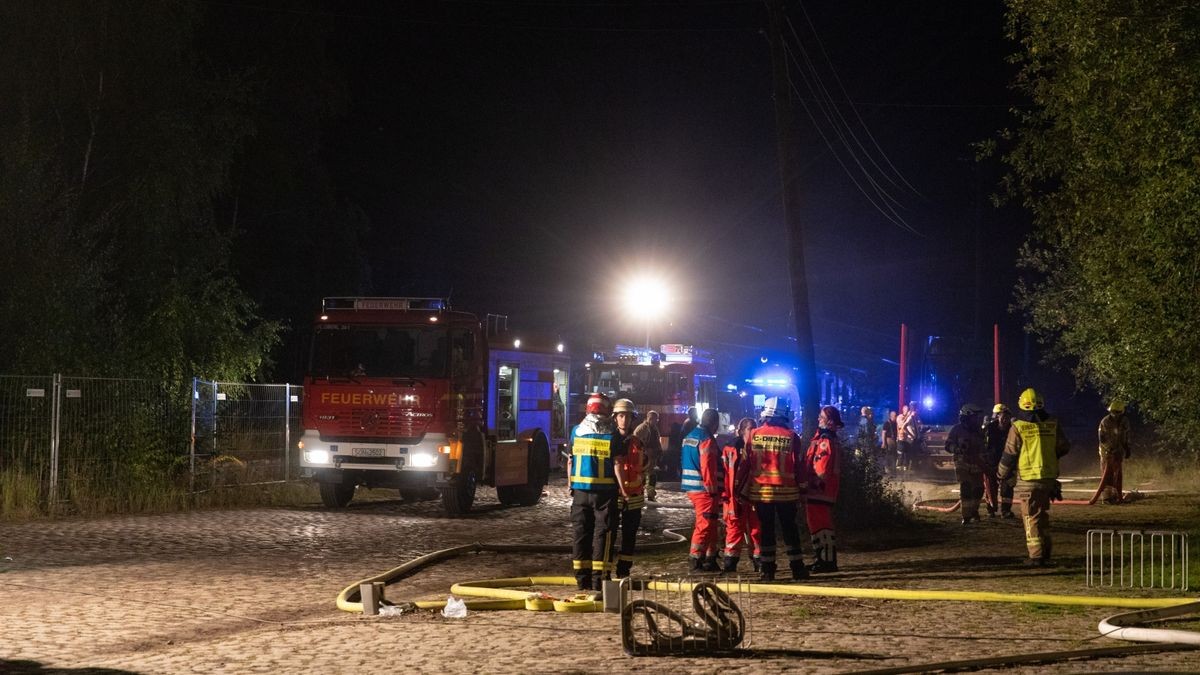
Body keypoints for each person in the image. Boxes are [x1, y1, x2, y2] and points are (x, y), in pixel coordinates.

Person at [736, 397, 808, 582]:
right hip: (787, 493)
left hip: (761, 493)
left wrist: (738, 488)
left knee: (766, 530)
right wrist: (803, 489)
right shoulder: (792, 436)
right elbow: (798, 466)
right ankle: (797, 568)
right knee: (790, 529)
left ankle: (767, 570)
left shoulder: (753, 435)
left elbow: (745, 464)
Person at [997, 388, 1071, 567]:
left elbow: (1009, 454)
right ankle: (1046, 551)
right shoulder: (1053, 423)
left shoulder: (1019, 427)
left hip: (1029, 481)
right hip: (1049, 479)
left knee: (1031, 517)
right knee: (1041, 515)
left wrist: (1001, 474)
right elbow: (1064, 447)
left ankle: (1036, 556)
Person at [567, 392, 629, 591]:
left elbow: (570, 460)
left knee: (581, 534)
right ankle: (599, 580)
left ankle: (581, 580)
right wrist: (624, 489)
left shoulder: (576, 431)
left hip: (580, 492)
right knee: (604, 533)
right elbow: (618, 464)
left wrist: (570, 484)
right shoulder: (612, 435)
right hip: (605, 493)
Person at [681, 408, 723, 572]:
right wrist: (712, 489)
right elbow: (708, 467)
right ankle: (695, 558)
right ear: (715, 423)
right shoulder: (706, 439)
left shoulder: (689, 436)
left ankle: (710, 558)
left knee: (711, 523)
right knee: (705, 524)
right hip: (704, 489)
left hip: (692, 487)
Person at [805, 405, 844, 573]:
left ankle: (826, 561)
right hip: (821, 489)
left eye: (821, 416)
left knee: (821, 525)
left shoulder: (825, 440)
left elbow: (822, 467)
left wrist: (813, 484)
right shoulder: (825, 438)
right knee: (817, 524)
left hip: (820, 489)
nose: (818, 419)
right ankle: (822, 559)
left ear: (828, 420)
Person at [611, 399, 647, 578]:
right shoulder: (611, 440)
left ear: (633, 419)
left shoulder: (637, 442)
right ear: (615, 418)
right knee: (609, 533)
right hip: (615, 495)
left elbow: (641, 466)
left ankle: (624, 570)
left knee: (630, 535)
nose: (624, 420)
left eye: (627, 416)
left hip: (634, 497)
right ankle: (605, 569)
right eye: (621, 416)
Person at [720, 417, 762, 574]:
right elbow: (725, 473)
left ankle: (759, 562)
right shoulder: (730, 449)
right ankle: (730, 564)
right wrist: (725, 495)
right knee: (734, 529)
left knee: (757, 530)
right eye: (750, 428)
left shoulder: (759, 447)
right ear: (741, 431)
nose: (754, 431)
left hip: (754, 496)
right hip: (734, 497)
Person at [946, 403, 987, 524]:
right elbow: (948, 445)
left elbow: (984, 446)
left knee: (979, 489)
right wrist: (957, 449)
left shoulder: (979, 431)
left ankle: (974, 511)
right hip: (962, 462)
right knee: (966, 487)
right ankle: (966, 516)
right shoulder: (957, 430)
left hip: (976, 462)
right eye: (975, 417)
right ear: (967, 417)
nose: (977, 419)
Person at [1089, 401, 1132, 505]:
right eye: (1113, 411)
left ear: (1121, 412)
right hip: (1106, 453)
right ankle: (1107, 498)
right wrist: (1110, 450)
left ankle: (1117, 496)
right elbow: (1102, 439)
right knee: (1107, 474)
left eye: (1117, 412)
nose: (1115, 414)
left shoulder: (1125, 421)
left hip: (1119, 453)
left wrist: (1127, 449)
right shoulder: (1105, 422)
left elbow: (1126, 437)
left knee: (1117, 475)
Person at [982, 403, 1015, 518]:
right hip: (992, 463)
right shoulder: (989, 429)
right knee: (991, 488)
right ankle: (991, 510)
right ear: (997, 417)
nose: (1005, 419)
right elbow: (983, 446)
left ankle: (1005, 511)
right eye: (1002, 416)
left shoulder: (1013, 429)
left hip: (1008, 464)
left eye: (1007, 416)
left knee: (1007, 487)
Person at [633, 409, 663, 501]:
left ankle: (650, 495)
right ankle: (640, 495)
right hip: (642, 458)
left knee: (652, 476)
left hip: (651, 458)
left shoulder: (654, 429)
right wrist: (645, 451)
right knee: (643, 477)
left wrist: (660, 452)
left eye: (657, 419)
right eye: (655, 419)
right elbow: (635, 443)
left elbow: (657, 442)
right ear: (650, 418)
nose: (656, 421)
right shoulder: (642, 428)